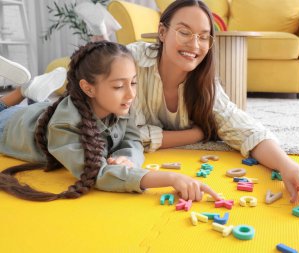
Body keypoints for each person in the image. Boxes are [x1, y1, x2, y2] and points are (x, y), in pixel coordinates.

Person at [122, 0, 299, 208]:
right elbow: (122, 134)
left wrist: (288, 166)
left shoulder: (205, 82)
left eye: (203, 37)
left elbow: (245, 129)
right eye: (184, 32)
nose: (194, 45)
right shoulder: (129, 63)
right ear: (162, 32)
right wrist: (197, 134)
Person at [0, 41, 220, 202]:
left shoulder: (120, 106)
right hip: (10, 125)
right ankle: (21, 91)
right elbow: (97, 173)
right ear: (88, 88)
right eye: (118, 86)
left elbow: (133, 140)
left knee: (32, 107)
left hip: (41, 110)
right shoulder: (64, 126)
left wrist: (126, 158)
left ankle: (26, 91)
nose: (130, 94)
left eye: (133, 83)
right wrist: (170, 178)